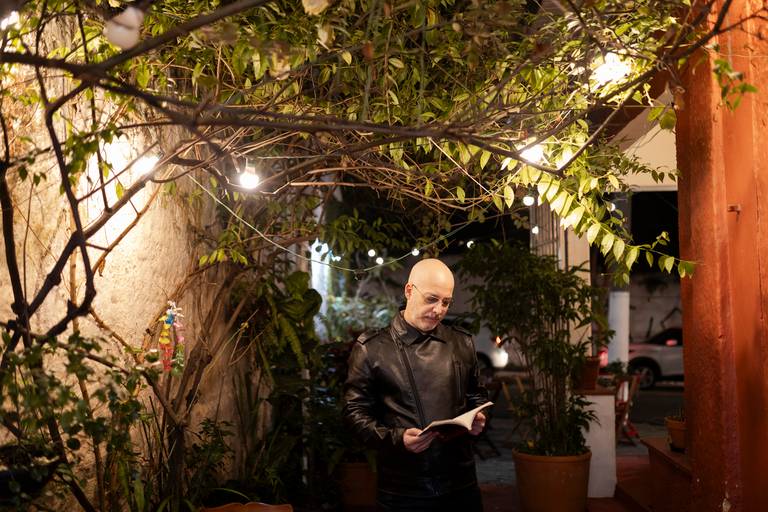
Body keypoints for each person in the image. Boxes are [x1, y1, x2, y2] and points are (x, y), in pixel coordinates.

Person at [343, 258, 489, 512]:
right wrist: (397, 439)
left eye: (446, 302)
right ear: (409, 291)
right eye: (431, 299)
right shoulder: (371, 348)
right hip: (403, 490)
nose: (439, 310)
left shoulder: (461, 342)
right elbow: (353, 414)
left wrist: (479, 418)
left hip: (461, 483)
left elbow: (477, 397)